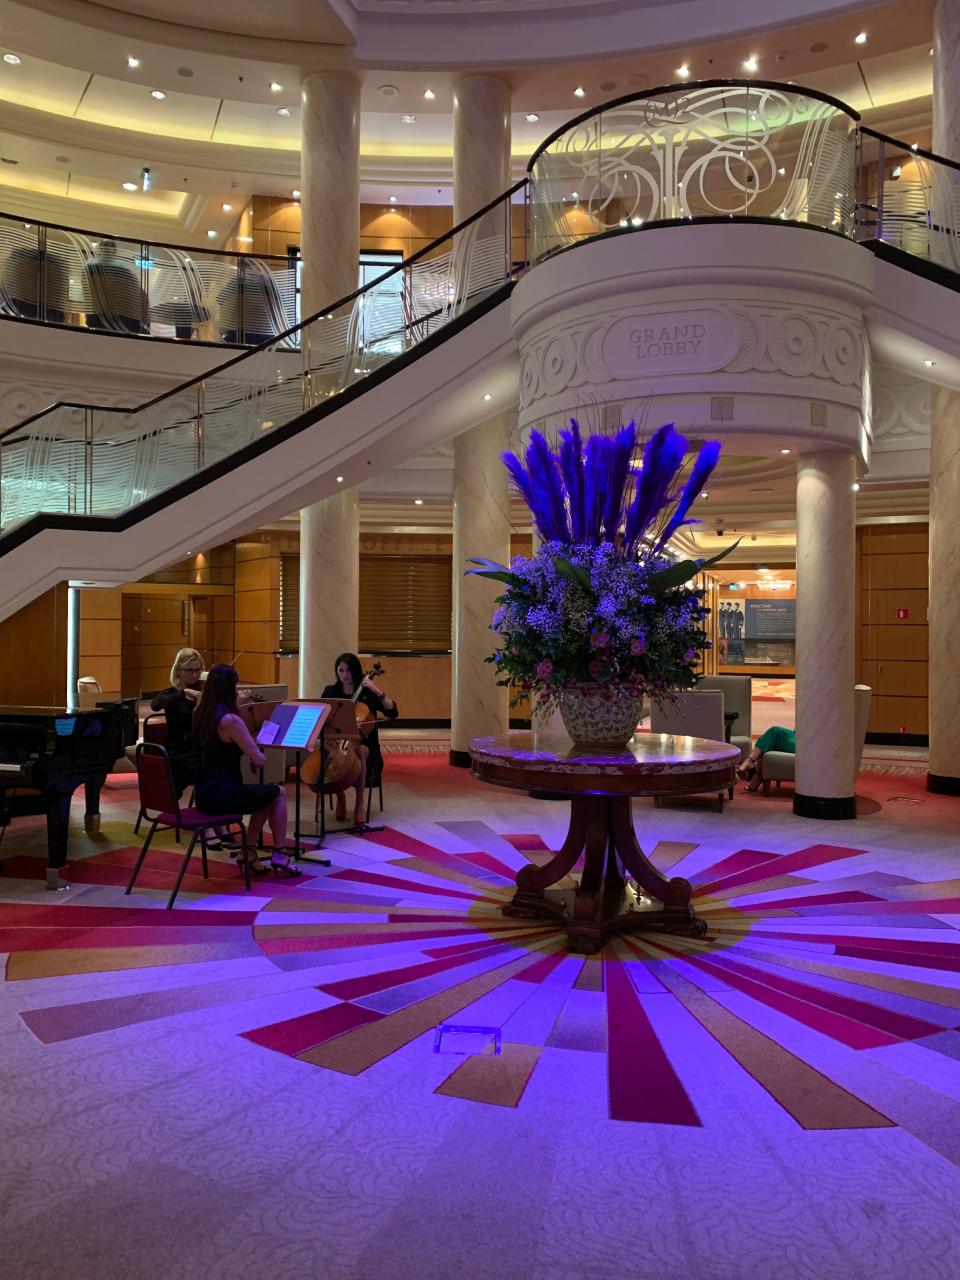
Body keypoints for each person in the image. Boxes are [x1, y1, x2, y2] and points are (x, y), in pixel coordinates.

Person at [192, 663, 299, 877]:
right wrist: (260, 736)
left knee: (263, 794)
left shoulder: (202, 713)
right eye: (236, 685)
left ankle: (248, 852)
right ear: (228, 688)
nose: (238, 689)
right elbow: (258, 759)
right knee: (279, 793)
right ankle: (280, 853)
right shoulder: (230, 720)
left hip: (205, 793)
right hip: (224, 795)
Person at [321, 653, 398, 825]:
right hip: (337, 741)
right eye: (341, 670)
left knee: (360, 752)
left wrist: (376, 690)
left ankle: (359, 802)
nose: (345, 675)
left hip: (363, 745)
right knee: (327, 752)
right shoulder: (331, 692)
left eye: (348, 671)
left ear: (355, 671)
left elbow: (393, 712)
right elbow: (322, 716)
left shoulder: (368, 693)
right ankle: (339, 795)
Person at [150, 647, 205, 802]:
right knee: (206, 770)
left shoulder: (203, 690)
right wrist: (182, 694)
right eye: (189, 670)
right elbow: (155, 704)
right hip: (179, 751)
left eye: (198, 670)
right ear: (179, 670)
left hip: (199, 748)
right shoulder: (171, 694)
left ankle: (211, 814)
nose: (194, 675)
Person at [81, 239, 148, 334]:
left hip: (99, 318)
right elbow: (139, 294)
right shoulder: (122, 269)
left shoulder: (89, 268)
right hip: (119, 320)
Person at [737, 725, 795, 791]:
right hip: (796, 735)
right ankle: (755, 771)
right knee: (771, 734)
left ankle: (752, 766)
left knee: (772, 735)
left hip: (803, 741)